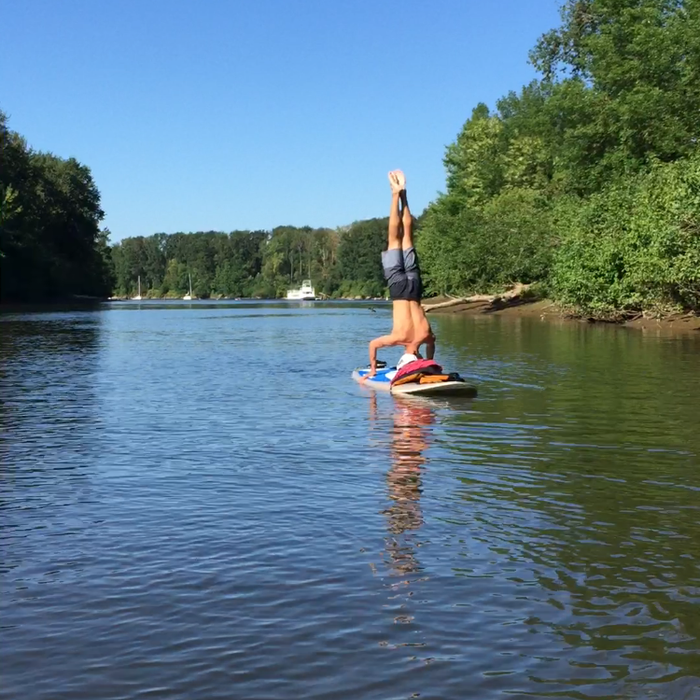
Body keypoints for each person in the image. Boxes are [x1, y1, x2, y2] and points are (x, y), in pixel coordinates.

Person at [363, 170, 435, 378]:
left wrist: (428, 360)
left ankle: (403, 195)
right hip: (398, 289)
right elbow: (373, 345)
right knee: (394, 239)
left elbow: (432, 347)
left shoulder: (426, 336)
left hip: (414, 286)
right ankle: (395, 195)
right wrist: (373, 369)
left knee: (407, 237)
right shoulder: (398, 338)